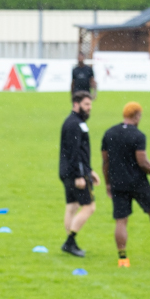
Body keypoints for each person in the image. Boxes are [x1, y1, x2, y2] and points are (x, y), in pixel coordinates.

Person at [101, 102, 150, 267]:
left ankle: (123, 258)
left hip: (118, 182)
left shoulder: (109, 133)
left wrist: (108, 183)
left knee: (121, 220)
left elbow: (105, 162)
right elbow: (142, 162)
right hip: (138, 182)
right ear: (137, 115)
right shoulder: (138, 135)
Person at [59, 91, 99, 259]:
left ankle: (70, 244)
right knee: (89, 207)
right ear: (76, 104)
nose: (89, 108)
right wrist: (80, 175)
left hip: (67, 171)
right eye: (86, 105)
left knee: (72, 206)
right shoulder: (75, 124)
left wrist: (90, 171)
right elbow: (74, 152)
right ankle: (70, 241)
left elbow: (77, 152)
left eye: (90, 105)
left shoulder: (73, 122)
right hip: (75, 173)